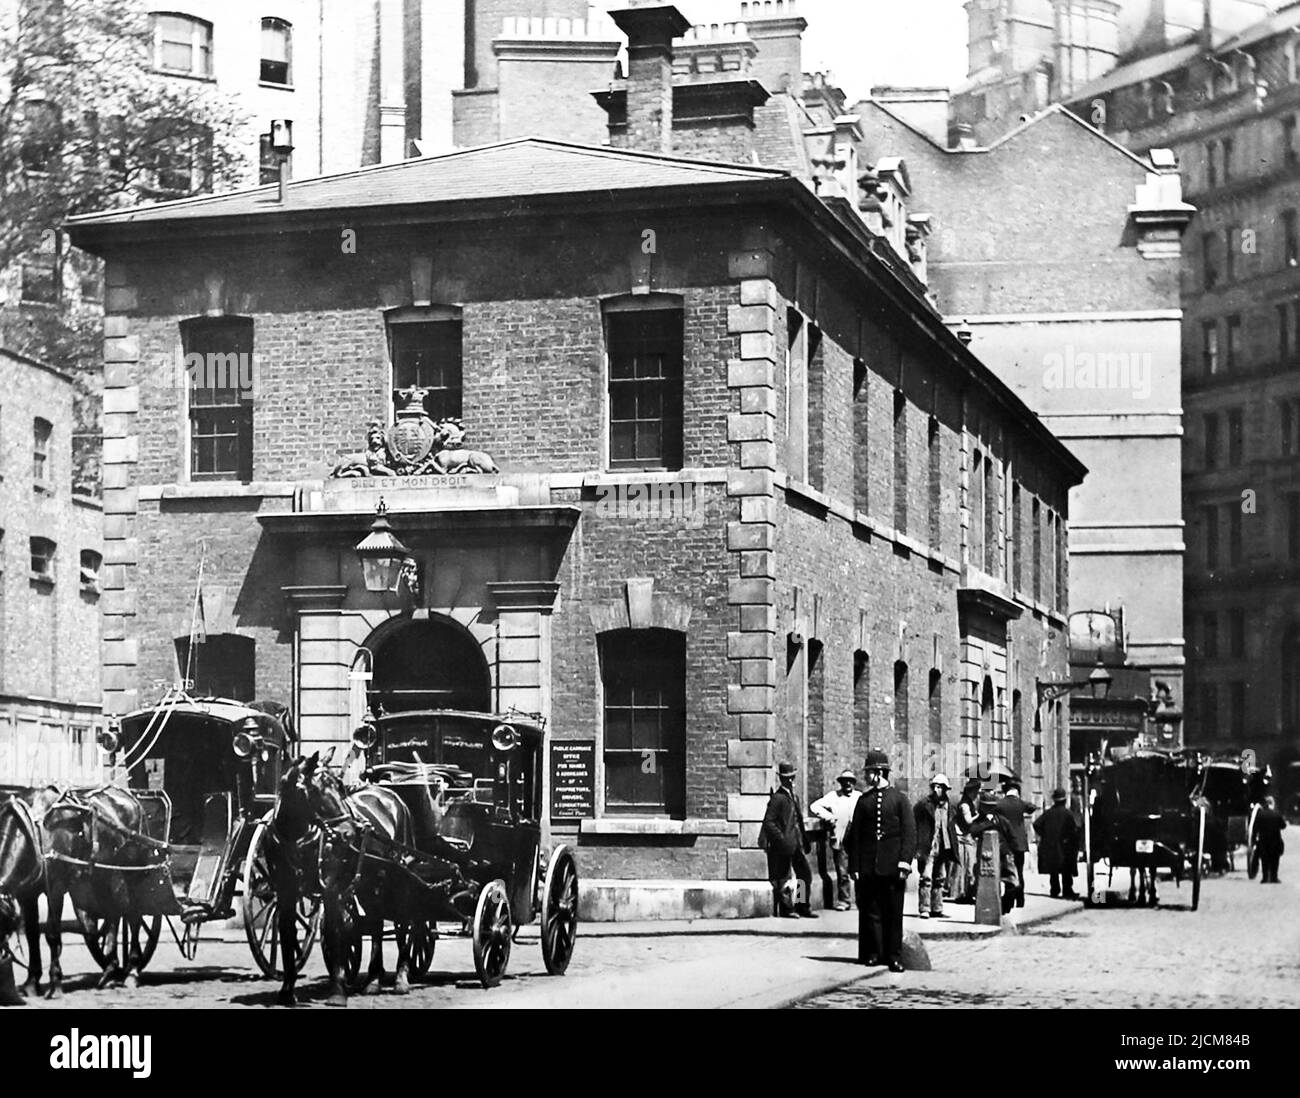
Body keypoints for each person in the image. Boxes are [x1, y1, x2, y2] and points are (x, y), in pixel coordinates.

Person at [844, 750, 916, 972]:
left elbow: (909, 833)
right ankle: (874, 953)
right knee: (872, 912)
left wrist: (905, 862)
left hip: (893, 867)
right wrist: (855, 866)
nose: (866, 777)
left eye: (869, 773)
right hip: (869, 868)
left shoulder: (900, 799)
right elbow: (855, 836)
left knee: (893, 913)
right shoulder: (864, 801)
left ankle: (894, 956)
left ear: (878, 773)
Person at [760, 761, 818, 918]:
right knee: (784, 878)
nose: (791, 781)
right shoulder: (778, 798)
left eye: (792, 777)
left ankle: (802, 905)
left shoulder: (794, 797)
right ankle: (787, 909)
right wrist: (781, 839)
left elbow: (798, 821)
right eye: (787, 778)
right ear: (781, 779)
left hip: (796, 843)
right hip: (784, 845)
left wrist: (804, 840)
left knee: (805, 875)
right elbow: (769, 822)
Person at [810, 769, 862, 911]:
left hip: (857, 839)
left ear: (853, 783)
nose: (847, 784)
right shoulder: (833, 796)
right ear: (841, 783)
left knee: (859, 871)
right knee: (842, 870)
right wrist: (830, 817)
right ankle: (844, 900)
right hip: (840, 837)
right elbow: (814, 806)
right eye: (844, 782)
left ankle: (861, 900)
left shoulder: (859, 797)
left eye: (850, 782)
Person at [913, 774, 959, 918]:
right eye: (935, 787)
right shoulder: (923, 805)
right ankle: (924, 908)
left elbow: (951, 826)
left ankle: (937, 908)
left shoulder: (949, 806)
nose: (937, 790)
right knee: (926, 877)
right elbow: (915, 824)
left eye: (940, 787)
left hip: (943, 846)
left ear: (946, 789)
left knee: (940, 878)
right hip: (928, 846)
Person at [969, 790, 1019, 915]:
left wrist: (1012, 852)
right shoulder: (980, 821)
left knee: (1012, 882)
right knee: (985, 881)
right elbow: (973, 830)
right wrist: (988, 824)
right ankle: (988, 907)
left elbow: (1012, 836)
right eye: (986, 807)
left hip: (1004, 854)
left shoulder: (1001, 820)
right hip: (986, 856)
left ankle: (1006, 905)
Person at [995, 783, 1039, 907]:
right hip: (1019, 844)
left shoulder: (1000, 804)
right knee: (1019, 871)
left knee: (1007, 871)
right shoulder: (1020, 804)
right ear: (1016, 792)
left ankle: (1009, 897)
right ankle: (1020, 899)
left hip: (1006, 843)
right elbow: (1032, 807)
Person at [1033, 787, 1080, 899]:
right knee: (1066, 870)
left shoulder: (1048, 813)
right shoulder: (1068, 814)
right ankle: (1067, 890)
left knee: (1053, 870)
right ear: (1064, 800)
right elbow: (1074, 829)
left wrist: (1044, 834)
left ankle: (1054, 890)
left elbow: (1036, 824)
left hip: (1051, 845)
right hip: (1065, 846)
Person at [952, 778, 981, 903]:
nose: (977, 794)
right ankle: (962, 894)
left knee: (968, 867)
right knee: (966, 867)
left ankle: (968, 893)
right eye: (976, 791)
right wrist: (979, 815)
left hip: (968, 837)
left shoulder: (969, 803)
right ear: (971, 791)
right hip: (963, 838)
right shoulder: (965, 805)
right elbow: (968, 820)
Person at [1253, 795, 1287, 884]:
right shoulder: (1277, 814)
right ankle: (1274, 877)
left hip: (1263, 841)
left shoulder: (1260, 815)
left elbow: (1255, 828)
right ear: (1272, 803)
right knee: (1275, 859)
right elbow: (1283, 826)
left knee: (1264, 859)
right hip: (1275, 840)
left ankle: (1265, 878)